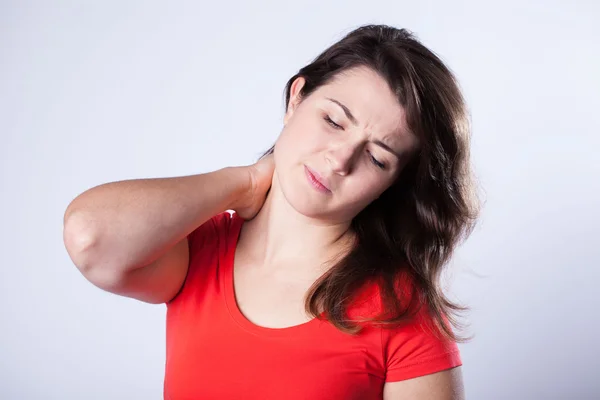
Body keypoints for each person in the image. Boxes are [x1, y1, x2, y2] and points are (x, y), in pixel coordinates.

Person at [63, 24, 479, 399]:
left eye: (377, 158)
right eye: (334, 121)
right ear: (296, 98)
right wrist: (242, 183)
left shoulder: (402, 309)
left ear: (393, 184)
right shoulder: (200, 250)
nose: (340, 160)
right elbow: (89, 237)